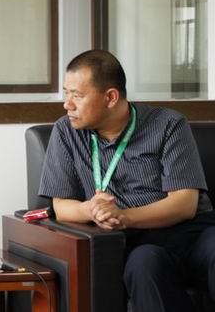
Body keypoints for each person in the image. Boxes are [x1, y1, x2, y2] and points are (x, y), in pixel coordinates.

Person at [38, 49, 215, 311]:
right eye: (66, 93)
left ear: (110, 97)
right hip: (135, 243)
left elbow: (184, 204)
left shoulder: (168, 124)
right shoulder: (66, 132)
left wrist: (125, 216)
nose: (68, 104)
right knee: (145, 264)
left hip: (191, 233)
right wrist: (90, 209)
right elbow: (61, 206)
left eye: (78, 95)